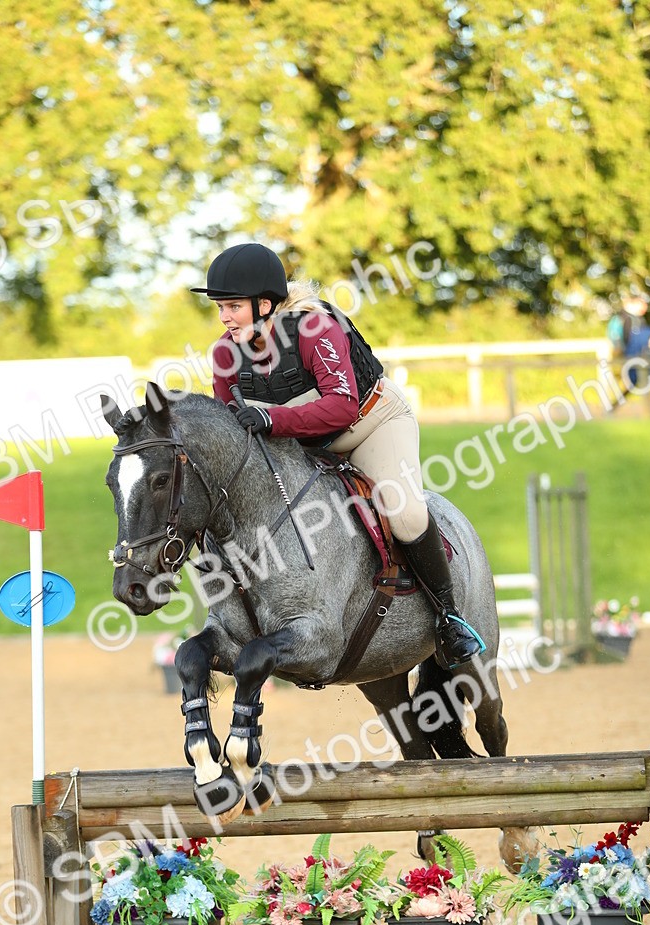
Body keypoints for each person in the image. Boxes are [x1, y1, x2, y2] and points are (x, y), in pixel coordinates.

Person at [191, 241, 485, 668]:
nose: (223, 318)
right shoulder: (225, 353)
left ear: (266, 303)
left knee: (402, 511)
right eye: (220, 307)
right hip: (300, 444)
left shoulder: (315, 329)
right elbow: (233, 427)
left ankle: (448, 617)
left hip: (369, 424)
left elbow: (342, 406)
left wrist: (272, 421)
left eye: (232, 306)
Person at [607, 294, 650, 411]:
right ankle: (613, 408)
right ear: (631, 303)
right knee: (634, 381)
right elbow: (616, 341)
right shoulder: (620, 319)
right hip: (629, 358)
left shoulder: (639, 320)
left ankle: (613, 407)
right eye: (641, 303)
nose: (644, 307)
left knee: (635, 383)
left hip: (642, 358)